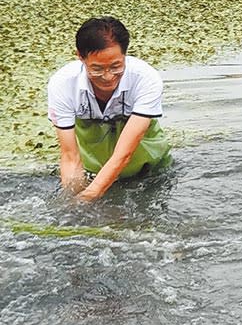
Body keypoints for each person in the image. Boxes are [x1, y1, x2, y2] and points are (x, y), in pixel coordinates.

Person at [47, 16, 171, 202]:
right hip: (93, 169)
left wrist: (88, 196)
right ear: (80, 56)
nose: (107, 77)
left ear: (125, 55)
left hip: (149, 170)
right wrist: (70, 200)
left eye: (116, 66)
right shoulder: (62, 84)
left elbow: (124, 153)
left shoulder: (146, 79)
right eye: (96, 69)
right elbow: (70, 156)